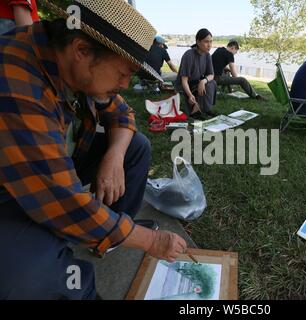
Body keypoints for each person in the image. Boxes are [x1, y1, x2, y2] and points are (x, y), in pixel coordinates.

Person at [0, 0, 187, 300]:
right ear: (82, 50)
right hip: (11, 191)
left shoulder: (70, 61)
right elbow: (62, 202)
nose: (125, 84)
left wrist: (113, 157)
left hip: (47, 168)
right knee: (32, 273)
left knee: (134, 146)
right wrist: (150, 241)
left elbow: (123, 115)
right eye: (123, 73)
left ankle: (109, 234)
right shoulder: (18, 83)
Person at [175, 28, 217, 118]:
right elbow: (184, 80)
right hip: (186, 86)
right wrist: (190, 95)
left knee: (211, 83)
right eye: (206, 42)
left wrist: (203, 81)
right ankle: (195, 111)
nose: (209, 45)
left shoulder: (207, 55)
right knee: (208, 84)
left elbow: (211, 75)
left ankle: (203, 108)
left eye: (211, 42)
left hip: (197, 83)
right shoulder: (189, 55)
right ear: (198, 42)